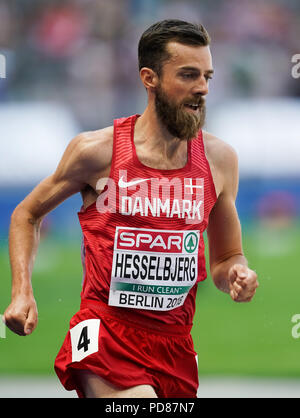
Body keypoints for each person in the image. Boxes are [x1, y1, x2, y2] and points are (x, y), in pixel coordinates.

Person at [3, 19, 259, 398]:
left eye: (207, 76)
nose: (202, 88)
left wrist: (238, 274)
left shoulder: (219, 160)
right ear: (149, 78)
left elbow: (225, 258)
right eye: (188, 75)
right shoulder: (97, 151)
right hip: (104, 331)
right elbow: (26, 214)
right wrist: (22, 291)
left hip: (174, 344)